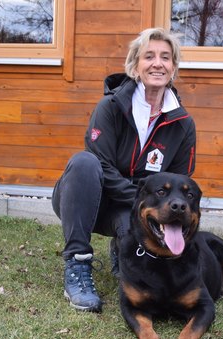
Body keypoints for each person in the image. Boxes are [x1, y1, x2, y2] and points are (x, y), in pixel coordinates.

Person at [51, 28, 197, 313]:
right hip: (86, 200)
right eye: (149, 56)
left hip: (131, 210)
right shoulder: (111, 107)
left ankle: (124, 247)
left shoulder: (183, 124)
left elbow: (181, 184)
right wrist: (142, 197)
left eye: (166, 57)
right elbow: (101, 165)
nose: (158, 63)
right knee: (84, 162)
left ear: (174, 67)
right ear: (134, 66)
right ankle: (77, 265)